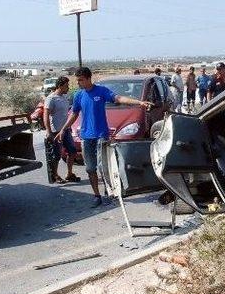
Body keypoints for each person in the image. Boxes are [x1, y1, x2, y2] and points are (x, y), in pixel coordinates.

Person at [55, 67, 153, 207]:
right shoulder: (78, 95)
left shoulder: (101, 91)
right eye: (77, 80)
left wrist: (139, 103)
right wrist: (64, 129)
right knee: (90, 168)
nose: (79, 83)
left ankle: (110, 191)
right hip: (86, 137)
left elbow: (118, 98)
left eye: (81, 80)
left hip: (101, 135)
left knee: (104, 167)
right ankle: (97, 195)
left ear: (89, 78)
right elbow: (74, 113)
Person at [43, 76, 79, 184]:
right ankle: (55, 175)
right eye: (66, 86)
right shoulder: (51, 98)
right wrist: (48, 131)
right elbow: (46, 115)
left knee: (72, 151)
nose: (68, 88)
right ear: (60, 86)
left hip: (65, 130)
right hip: (55, 131)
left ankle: (69, 174)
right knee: (56, 155)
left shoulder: (64, 97)